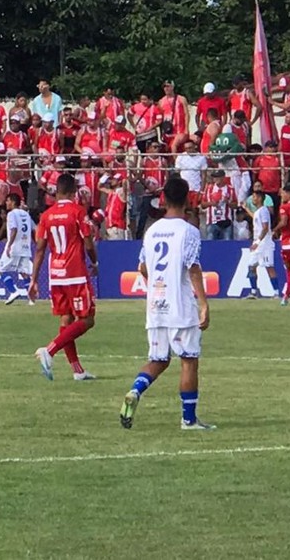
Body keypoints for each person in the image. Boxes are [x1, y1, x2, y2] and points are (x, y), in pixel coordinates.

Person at [119, 176, 213, 431]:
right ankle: (189, 420)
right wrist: (203, 304)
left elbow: (142, 267)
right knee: (188, 359)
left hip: (156, 305)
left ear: (163, 199)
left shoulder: (151, 230)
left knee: (159, 359)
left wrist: (157, 286)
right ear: (187, 199)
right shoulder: (188, 231)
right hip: (180, 305)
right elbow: (193, 269)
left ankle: (135, 391)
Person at [30, 173, 98, 382]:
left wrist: (33, 280)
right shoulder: (78, 211)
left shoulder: (46, 215)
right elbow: (87, 241)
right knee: (87, 320)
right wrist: (94, 261)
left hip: (56, 276)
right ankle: (49, 350)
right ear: (72, 192)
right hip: (75, 274)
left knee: (66, 319)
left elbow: (40, 250)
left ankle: (77, 371)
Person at [0, 192, 33, 305]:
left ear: (13, 202)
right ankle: (31, 298)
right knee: (24, 272)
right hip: (25, 246)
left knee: (1, 269)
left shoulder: (11, 214)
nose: (6, 203)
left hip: (14, 246)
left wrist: (9, 245)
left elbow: (14, 229)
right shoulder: (26, 214)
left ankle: (13, 291)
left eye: (8, 200)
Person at [245, 185, 279, 299]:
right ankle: (254, 292)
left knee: (269, 266)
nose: (253, 199)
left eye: (255, 197)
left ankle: (276, 292)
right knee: (251, 265)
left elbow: (265, 227)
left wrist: (257, 241)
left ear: (260, 198)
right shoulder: (259, 212)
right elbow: (256, 218)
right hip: (259, 243)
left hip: (265, 243)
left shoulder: (264, 211)